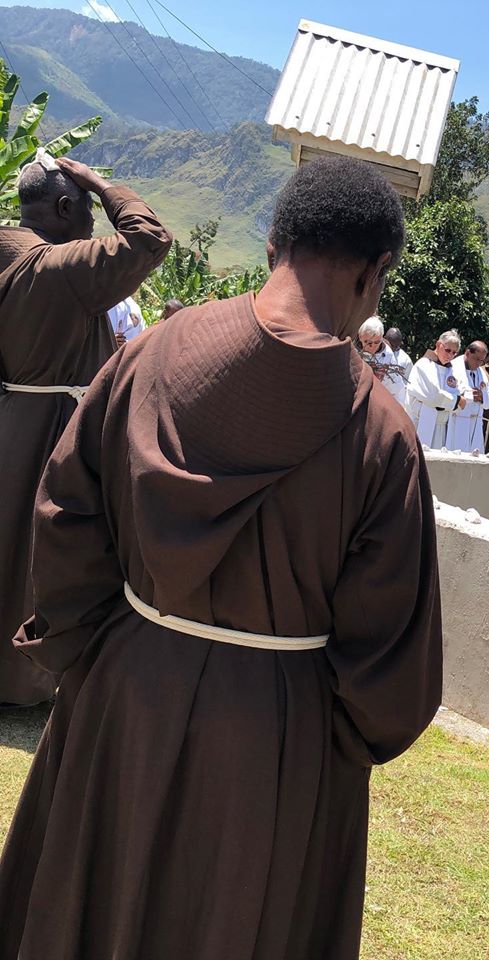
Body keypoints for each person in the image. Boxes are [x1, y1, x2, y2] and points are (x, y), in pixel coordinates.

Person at [0, 156, 442, 960]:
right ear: (375, 272)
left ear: (273, 245)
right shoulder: (383, 435)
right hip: (276, 742)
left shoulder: (147, 355)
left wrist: (90, 655)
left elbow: (65, 518)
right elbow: (392, 660)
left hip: (122, 698)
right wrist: (321, 738)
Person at [0, 157, 170, 707]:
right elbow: (150, 238)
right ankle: (26, 681)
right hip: (55, 430)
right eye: (89, 211)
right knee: (45, 553)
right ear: (64, 206)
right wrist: (100, 181)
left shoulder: (8, 251)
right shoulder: (61, 268)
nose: (94, 224)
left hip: (11, 420)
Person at [406, 329, 466, 448]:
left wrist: (457, 401)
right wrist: (456, 400)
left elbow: (460, 395)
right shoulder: (423, 365)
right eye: (448, 350)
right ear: (438, 345)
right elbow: (432, 395)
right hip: (421, 423)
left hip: (442, 427)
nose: (450, 355)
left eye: (454, 353)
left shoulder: (452, 370)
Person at [447, 340, 489, 452]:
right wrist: (469, 395)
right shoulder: (452, 368)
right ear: (467, 353)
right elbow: (448, 393)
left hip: (476, 424)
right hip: (457, 421)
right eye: (476, 359)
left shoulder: (481, 373)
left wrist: (482, 397)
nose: (478, 364)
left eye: (481, 361)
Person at [358, 314, 406, 405]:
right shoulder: (352, 350)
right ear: (360, 337)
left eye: (376, 342)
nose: (372, 346)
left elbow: (397, 388)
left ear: (381, 338)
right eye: (367, 342)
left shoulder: (388, 355)